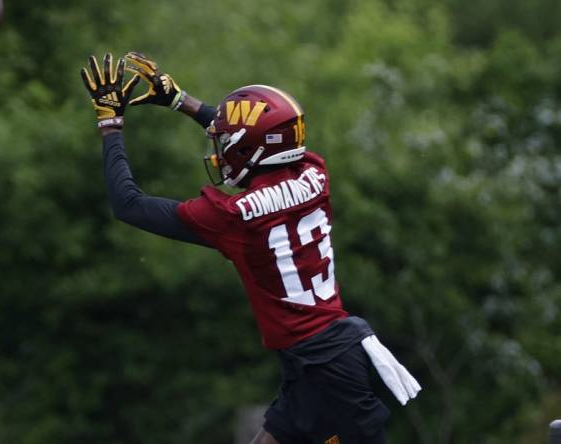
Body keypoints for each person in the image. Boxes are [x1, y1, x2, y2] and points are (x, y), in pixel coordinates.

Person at [80, 52, 421, 444]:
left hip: (326, 369)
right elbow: (263, 141)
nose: (221, 149)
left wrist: (111, 124)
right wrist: (181, 101)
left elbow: (128, 204)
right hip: (319, 359)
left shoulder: (235, 217)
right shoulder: (315, 173)